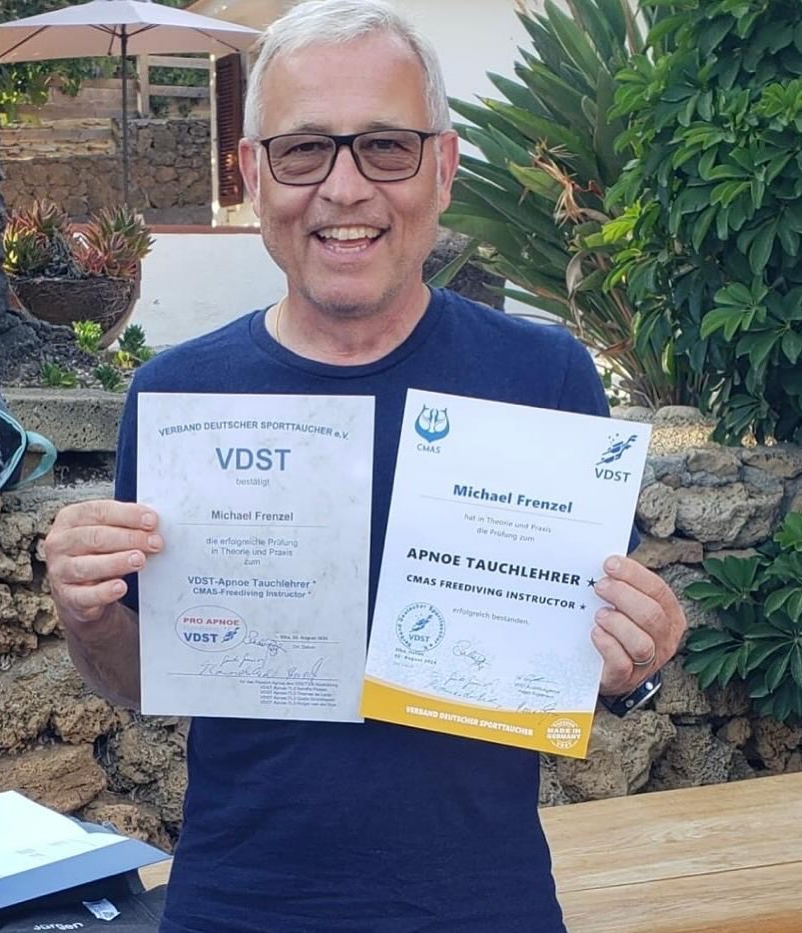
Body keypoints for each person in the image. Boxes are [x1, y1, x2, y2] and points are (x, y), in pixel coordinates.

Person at [44, 1, 687, 929]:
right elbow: (144, 678)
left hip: (479, 903)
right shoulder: (181, 396)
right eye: (304, 150)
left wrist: (635, 652)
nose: (344, 189)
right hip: (239, 903)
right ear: (252, 173)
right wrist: (87, 613)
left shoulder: (544, 377)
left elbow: (581, 656)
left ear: (444, 167)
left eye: (385, 146)